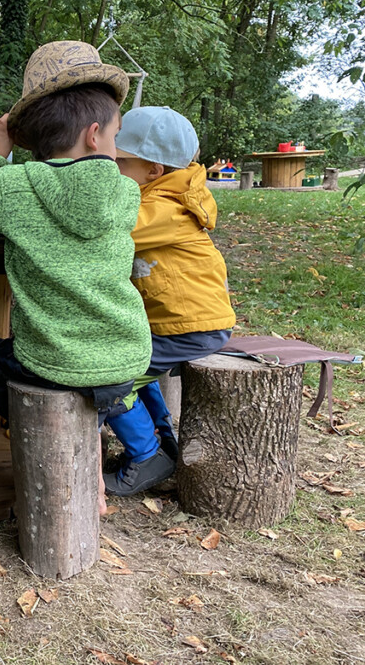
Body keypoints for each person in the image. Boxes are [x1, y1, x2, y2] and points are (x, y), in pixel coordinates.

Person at [0, 40, 152, 511]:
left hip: (49, 363)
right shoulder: (126, 192)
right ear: (94, 135)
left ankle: (50, 443)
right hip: (124, 361)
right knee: (84, 379)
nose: (116, 148)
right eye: (116, 137)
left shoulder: (13, 185)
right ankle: (91, 468)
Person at [105, 106, 236, 496]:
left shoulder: (161, 209)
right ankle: (164, 444)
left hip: (189, 329)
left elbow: (106, 231)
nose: (111, 167)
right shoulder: (160, 195)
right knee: (135, 373)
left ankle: (147, 456)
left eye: (120, 162)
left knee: (106, 380)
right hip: (177, 325)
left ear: (153, 171)